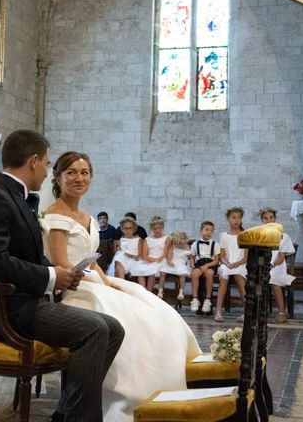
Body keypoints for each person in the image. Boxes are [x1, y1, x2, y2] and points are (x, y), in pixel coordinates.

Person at [0, 131, 125, 422]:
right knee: (95, 330)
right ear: (33, 161)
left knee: (114, 328)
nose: (45, 171)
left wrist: (61, 274)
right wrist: (51, 276)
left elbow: (27, 256)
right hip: (8, 309)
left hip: (28, 300)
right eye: (46, 163)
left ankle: (66, 412)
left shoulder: (15, 197)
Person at [42, 150, 200, 421]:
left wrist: (108, 282)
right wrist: (97, 283)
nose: (79, 178)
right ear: (58, 178)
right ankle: (126, 398)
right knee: (128, 318)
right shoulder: (56, 214)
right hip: (73, 286)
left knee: (149, 305)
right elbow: (61, 262)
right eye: (71, 173)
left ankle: (167, 385)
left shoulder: (87, 215)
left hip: (92, 279)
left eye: (84, 173)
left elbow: (93, 260)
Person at [259, 207, 296, 323]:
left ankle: (282, 312)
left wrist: (271, 264)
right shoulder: (259, 235)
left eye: (271, 217)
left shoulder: (284, 236)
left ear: (275, 219)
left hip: (277, 266)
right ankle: (256, 311)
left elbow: (281, 257)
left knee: (273, 278)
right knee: (254, 278)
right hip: (263, 264)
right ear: (262, 220)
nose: (268, 220)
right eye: (265, 218)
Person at [216, 207, 247, 323]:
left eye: (239, 218)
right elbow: (222, 256)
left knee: (239, 276)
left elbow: (245, 257)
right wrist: (227, 263)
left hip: (241, 264)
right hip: (227, 264)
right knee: (224, 274)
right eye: (233, 218)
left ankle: (247, 311)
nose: (236, 220)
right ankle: (219, 311)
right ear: (228, 219)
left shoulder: (245, 235)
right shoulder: (223, 235)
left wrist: (237, 263)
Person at [131, 215, 170, 291]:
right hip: (149, 259)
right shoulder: (147, 240)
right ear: (152, 229)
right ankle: (143, 292)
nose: (157, 230)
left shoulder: (166, 239)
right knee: (140, 271)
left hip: (161, 260)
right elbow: (145, 255)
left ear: (162, 228)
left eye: (159, 228)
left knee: (152, 272)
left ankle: (149, 292)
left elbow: (165, 254)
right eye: (154, 228)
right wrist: (151, 259)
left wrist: (156, 260)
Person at [188, 221, 220, 313]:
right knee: (194, 273)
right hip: (199, 263)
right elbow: (192, 256)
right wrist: (192, 264)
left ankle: (208, 299)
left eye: (211, 230)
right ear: (201, 231)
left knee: (209, 273)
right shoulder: (195, 244)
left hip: (210, 263)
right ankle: (195, 299)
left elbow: (217, 260)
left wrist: (207, 266)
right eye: (206, 230)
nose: (209, 232)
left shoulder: (215, 244)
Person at [159, 230, 192, 301]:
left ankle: (181, 291)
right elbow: (170, 254)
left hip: (181, 264)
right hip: (172, 263)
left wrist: (191, 262)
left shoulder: (187, 248)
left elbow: (190, 257)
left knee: (182, 275)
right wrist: (169, 261)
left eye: (180, 243)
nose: (178, 245)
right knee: (162, 272)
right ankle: (160, 289)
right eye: (176, 243)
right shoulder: (173, 247)